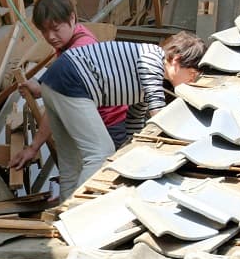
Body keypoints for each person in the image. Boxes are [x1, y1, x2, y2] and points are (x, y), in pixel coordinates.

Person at [38, 31, 205, 200]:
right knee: (101, 152)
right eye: (192, 74)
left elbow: (134, 122)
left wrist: (134, 152)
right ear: (176, 61)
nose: (192, 81)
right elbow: (158, 117)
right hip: (70, 81)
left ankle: (61, 218)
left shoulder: (147, 78)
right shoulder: (152, 61)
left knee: (71, 164)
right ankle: (76, 210)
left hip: (54, 81)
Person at [8, 0, 127, 170]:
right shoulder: (73, 37)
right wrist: (43, 88)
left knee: (99, 177)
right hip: (101, 119)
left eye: (55, 29)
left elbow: (56, 106)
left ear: (72, 18)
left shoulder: (78, 51)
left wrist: (33, 148)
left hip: (108, 125)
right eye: (44, 31)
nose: (50, 37)